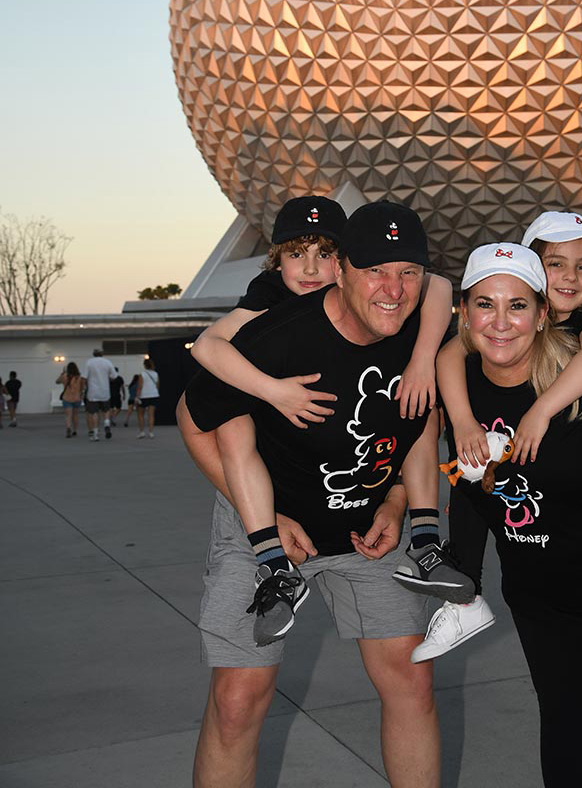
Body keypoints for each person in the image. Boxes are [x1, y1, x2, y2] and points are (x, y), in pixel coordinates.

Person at [190, 201, 444, 788]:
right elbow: (194, 417)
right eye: (375, 271)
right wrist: (266, 518)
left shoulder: (412, 322)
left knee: (412, 677)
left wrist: (399, 500)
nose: (392, 288)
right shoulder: (267, 331)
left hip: (365, 520)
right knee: (238, 697)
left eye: (404, 272)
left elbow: (418, 421)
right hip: (264, 522)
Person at [423, 244, 582, 786]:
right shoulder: (462, 384)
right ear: (464, 315)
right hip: (537, 596)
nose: (500, 323)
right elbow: (470, 489)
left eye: (517, 306)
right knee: (560, 723)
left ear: (543, 315)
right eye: (485, 305)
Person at [178, 196, 467, 646]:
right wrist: (272, 390)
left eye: (326, 253)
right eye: (297, 254)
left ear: (341, 264)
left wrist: (423, 360)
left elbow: (441, 287)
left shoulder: (392, 310)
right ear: (277, 263)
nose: (311, 269)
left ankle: (426, 540)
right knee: (234, 419)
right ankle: (271, 563)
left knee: (421, 406)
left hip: (358, 512)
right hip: (263, 478)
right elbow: (206, 351)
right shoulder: (266, 307)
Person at [84, 349, 117, 441]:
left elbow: (84, 377)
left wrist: (83, 389)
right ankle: (106, 424)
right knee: (106, 411)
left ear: (93, 354)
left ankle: (95, 434)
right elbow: (114, 376)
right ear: (102, 354)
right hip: (105, 392)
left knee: (94, 413)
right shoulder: (107, 362)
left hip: (93, 392)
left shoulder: (89, 362)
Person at [57, 363, 85, 437]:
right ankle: (75, 430)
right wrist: (81, 395)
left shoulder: (65, 376)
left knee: (68, 416)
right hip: (77, 398)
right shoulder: (79, 377)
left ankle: (68, 428)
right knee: (75, 415)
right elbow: (82, 388)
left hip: (67, 398)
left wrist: (62, 374)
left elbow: (57, 381)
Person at [136, 358, 160, 438]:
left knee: (140, 415)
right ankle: (151, 432)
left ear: (144, 365)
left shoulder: (142, 374)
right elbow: (157, 386)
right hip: (153, 395)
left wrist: (137, 397)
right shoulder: (155, 374)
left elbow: (140, 386)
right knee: (151, 415)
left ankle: (142, 431)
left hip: (144, 396)